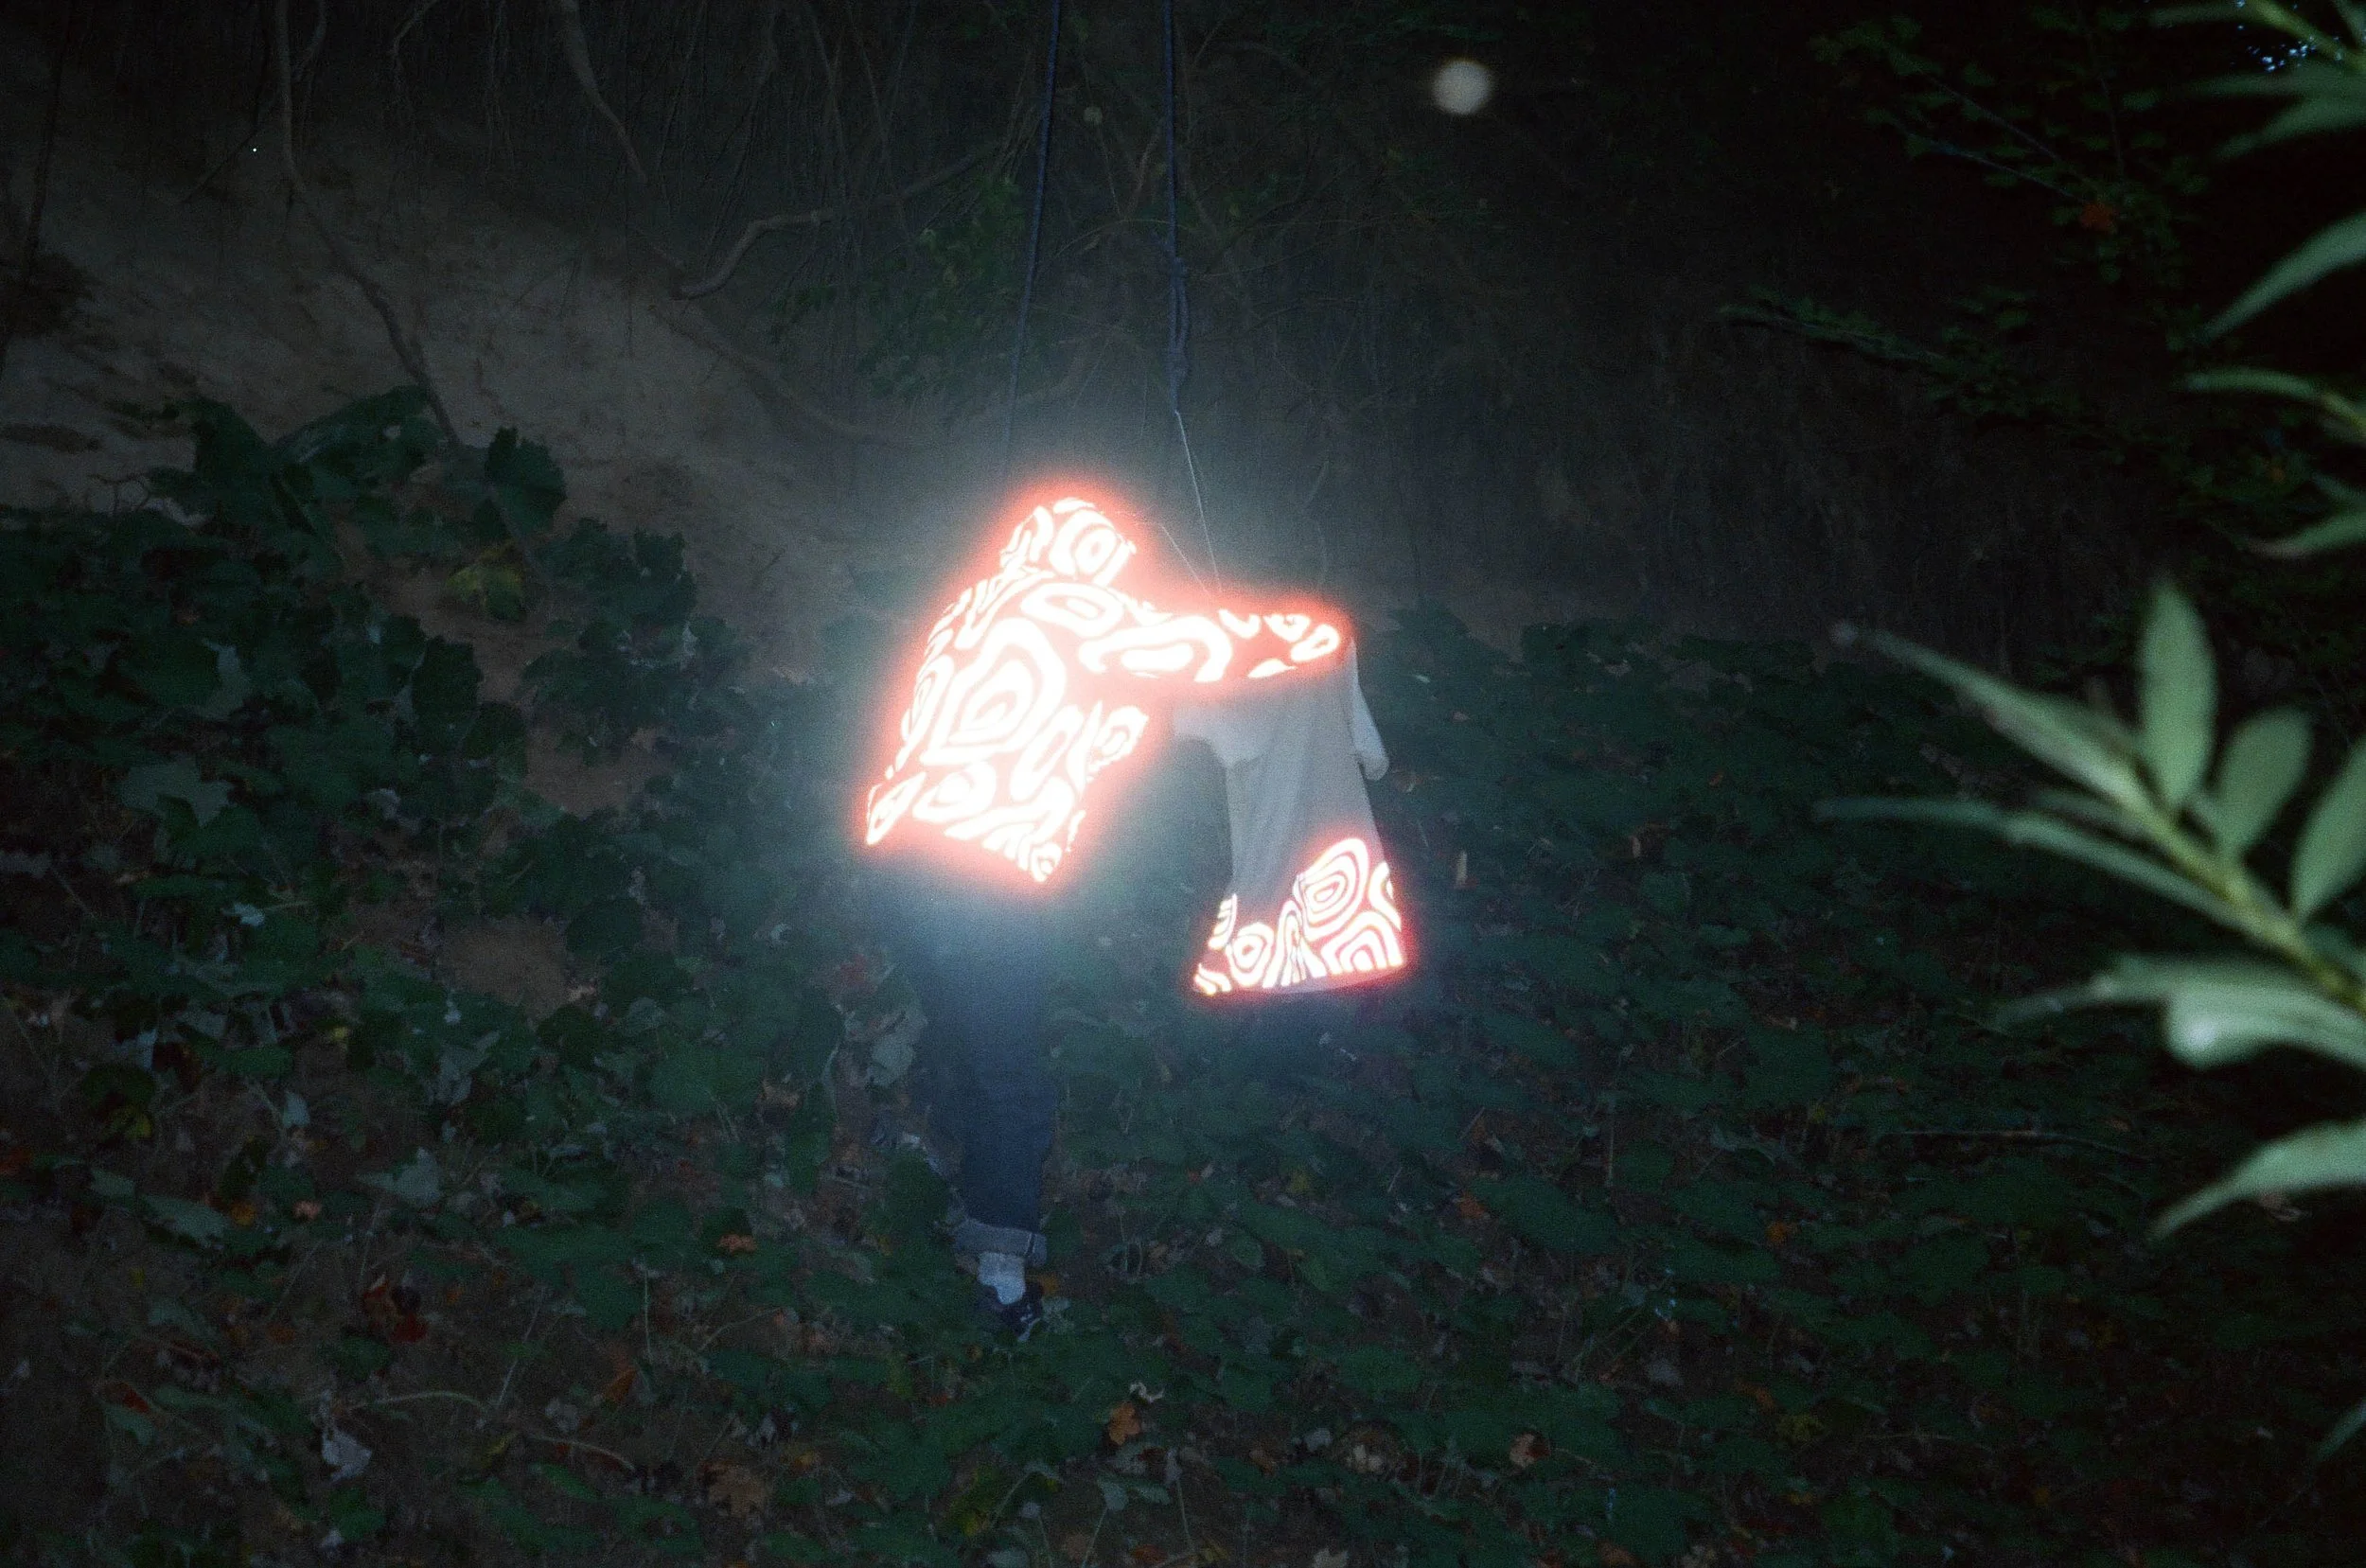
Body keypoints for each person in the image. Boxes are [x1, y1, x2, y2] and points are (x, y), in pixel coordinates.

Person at [855, 490, 1409, 1334]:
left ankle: (943, 1181)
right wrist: (1313, 634)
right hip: (982, 873)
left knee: (965, 1034)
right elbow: (1201, 644)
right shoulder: (1066, 609)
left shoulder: (971, 609)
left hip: (902, 862)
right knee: (1011, 1076)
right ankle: (1000, 1282)